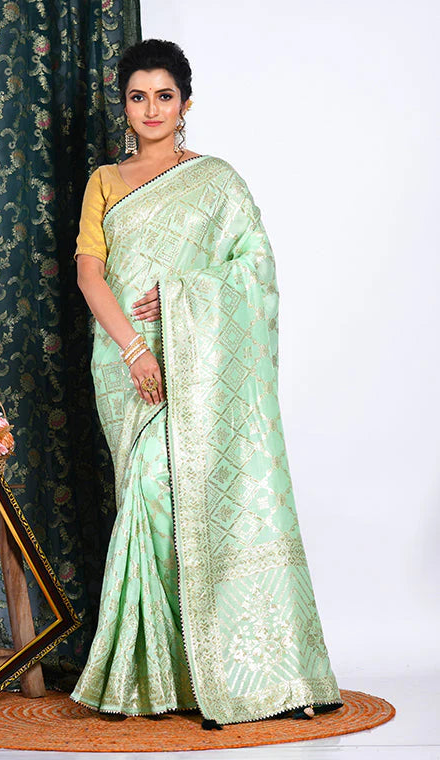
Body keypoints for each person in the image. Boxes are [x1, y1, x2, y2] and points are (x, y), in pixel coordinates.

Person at [69, 38, 343, 729]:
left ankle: (232, 671)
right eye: (138, 96)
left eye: (164, 96)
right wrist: (136, 349)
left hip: (201, 358)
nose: (151, 109)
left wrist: (184, 295)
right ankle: (156, 675)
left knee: (187, 497)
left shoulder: (217, 180)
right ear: (124, 106)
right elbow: (90, 276)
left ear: (185, 104)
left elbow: (256, 269)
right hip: (125, 363)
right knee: (148, 496)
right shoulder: (106, 181)